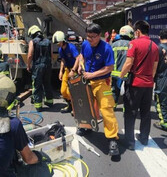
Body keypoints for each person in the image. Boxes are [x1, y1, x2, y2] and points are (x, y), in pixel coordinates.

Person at [70, 23, 120, 156]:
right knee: (85, 106)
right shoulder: (86, 44)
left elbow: (109, 68)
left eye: (92, 37)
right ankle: (86, 127)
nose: (89, 39)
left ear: (99, 36)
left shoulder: (106, 48)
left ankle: (112, 138)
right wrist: (80, 65)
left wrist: (92, 74)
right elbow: (82, 56)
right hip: (86, 81)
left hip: (102, 83)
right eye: (88, 36)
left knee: (106, 108)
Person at [119, 20, 159, 150]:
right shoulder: (154, 46)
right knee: (146, 113)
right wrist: (149, 79)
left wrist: (121, 76)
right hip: (148, 85)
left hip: (135, 83)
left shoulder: (134, 44)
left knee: (130, 112)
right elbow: (154, 67)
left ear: (137, 31)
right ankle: (144, 138)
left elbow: (129, 63)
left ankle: (130, 142)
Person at [27, 25, 53, 112]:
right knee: (47, 83)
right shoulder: (48, 41)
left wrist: (28, 65)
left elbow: (30, 55)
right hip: (47, 65)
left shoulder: (32, 42)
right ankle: (49, 101)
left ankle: (38, 105)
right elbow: (51, 55)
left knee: (37, 85)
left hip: (38, 66)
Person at [52, 30, 79, 113]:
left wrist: (74, 70)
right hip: (67, 70)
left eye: (58, 42)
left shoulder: (71, 47)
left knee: (71, 91)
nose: (57, 44)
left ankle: (76, 108)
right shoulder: (61, 49)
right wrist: (61, 71)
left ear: (62, 40)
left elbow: (78, 58)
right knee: (63, 91)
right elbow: (63, 60)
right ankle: (70, 105)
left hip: (74, 70)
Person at [111, 25, 133, 109]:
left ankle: (113, 105)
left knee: (114, 90)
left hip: (114, 73)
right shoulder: (131, 44)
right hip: (127, 73)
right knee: (127, 91)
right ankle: (126, 108)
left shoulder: (113, 44)